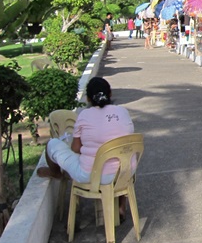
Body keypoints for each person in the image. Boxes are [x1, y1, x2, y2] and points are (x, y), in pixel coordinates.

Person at [37, 77, 135, 220]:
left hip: (93, 176)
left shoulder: (84, 115)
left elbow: (76, 149)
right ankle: (121, 205)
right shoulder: (123, 112)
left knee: (52, 144)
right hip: (125, 173)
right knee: (117, 156)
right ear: (110, 94)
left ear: (88, 98)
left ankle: (55, 172)